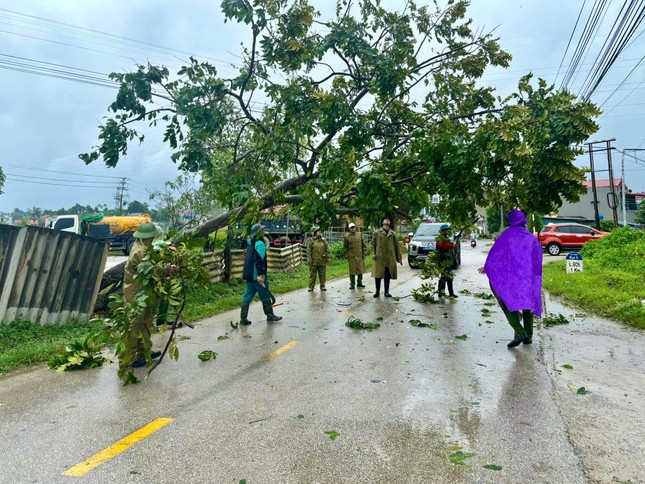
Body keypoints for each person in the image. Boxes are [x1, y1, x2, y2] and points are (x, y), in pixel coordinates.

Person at [478, 209, 543, 348]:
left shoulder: (506, 236)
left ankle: (519, 331)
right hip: (527, 277)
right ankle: (528, 336)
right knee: (527, 305)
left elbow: (497, 255)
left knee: (507, 301)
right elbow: (537, 258)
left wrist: (488, 267)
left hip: (511, 278)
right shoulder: (530, 237)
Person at [122, 222, 163, 368]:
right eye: (152, 237)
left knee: (145, 323)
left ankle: (144, 351)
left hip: (142, 291)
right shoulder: (140, 252)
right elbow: (152, 270)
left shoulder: (141, 247)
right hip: (135, 292)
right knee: (135, 325)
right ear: (148, 237)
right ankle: (130, 358)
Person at [240, 223, 283, 324]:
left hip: (250, 275)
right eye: (262, 231)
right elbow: (259, 260)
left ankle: (243, 318)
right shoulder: (260, 244)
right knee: (264, 295)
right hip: (257, 276)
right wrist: (260, 275)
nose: (263, 232)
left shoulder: (250, 243)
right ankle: (270, 315)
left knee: (247, 296)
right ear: (258, 233)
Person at [371, 218, 402, 297]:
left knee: (387, 276)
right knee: (378, 275)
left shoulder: (393, 234)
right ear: (382, 223)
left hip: (389, 258)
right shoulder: (377, 232)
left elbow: (397, 246)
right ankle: (377, 291)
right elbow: (372, 244)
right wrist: (373, 253)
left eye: (388, 222)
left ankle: (386, 292)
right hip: (379, 257)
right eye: (385, 222)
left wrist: (399, 258)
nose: (387, 223)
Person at [436, 224, 458, 298]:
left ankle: (451, 293)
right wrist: (452, 246)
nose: (447, 231)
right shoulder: (440, 239)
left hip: (448, 260)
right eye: (446, 230)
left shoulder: (447, 238)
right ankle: (441, 292)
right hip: (442, 261)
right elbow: (444, 246)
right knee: (443, 276)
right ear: (443, 231)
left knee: (449, 277)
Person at [344, 222, 367, 289]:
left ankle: (359, 283)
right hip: (351, 256)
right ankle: (352, 284)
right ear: (349, 229)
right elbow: (345, 247)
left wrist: (364, 253)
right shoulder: (347, 236)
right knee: (352, 271)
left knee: (360, 270)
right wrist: (346, 256)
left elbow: (364, 245)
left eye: (353, 227)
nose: (353, 229)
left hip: (360, 255)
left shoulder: (359, 235)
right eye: (351, 228)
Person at [307, 227, 330, 291]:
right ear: (315, 232)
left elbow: (327, 249)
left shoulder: (324, 240)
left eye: (320, 231)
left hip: (322, 260)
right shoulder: (311, 240)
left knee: (322, 274)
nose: (320, 232)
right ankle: (311, 287)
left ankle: (322, 286)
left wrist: (327, 257)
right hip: (314, 260)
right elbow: (309, 251)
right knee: (312, 275)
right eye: (318, 231)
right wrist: (309, 259)